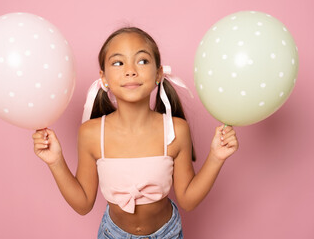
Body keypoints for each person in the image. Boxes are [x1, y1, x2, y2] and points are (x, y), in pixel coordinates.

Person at [32, 27, 239, 238]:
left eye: (142, 61)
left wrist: (216, 157)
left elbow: (187, 200)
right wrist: (55, 161)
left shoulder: (176, 129)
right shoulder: (91, 133)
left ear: (158, 73)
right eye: (118, 63)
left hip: (168, 233)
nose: (130, 70)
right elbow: (83, 204)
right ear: (103, 78)